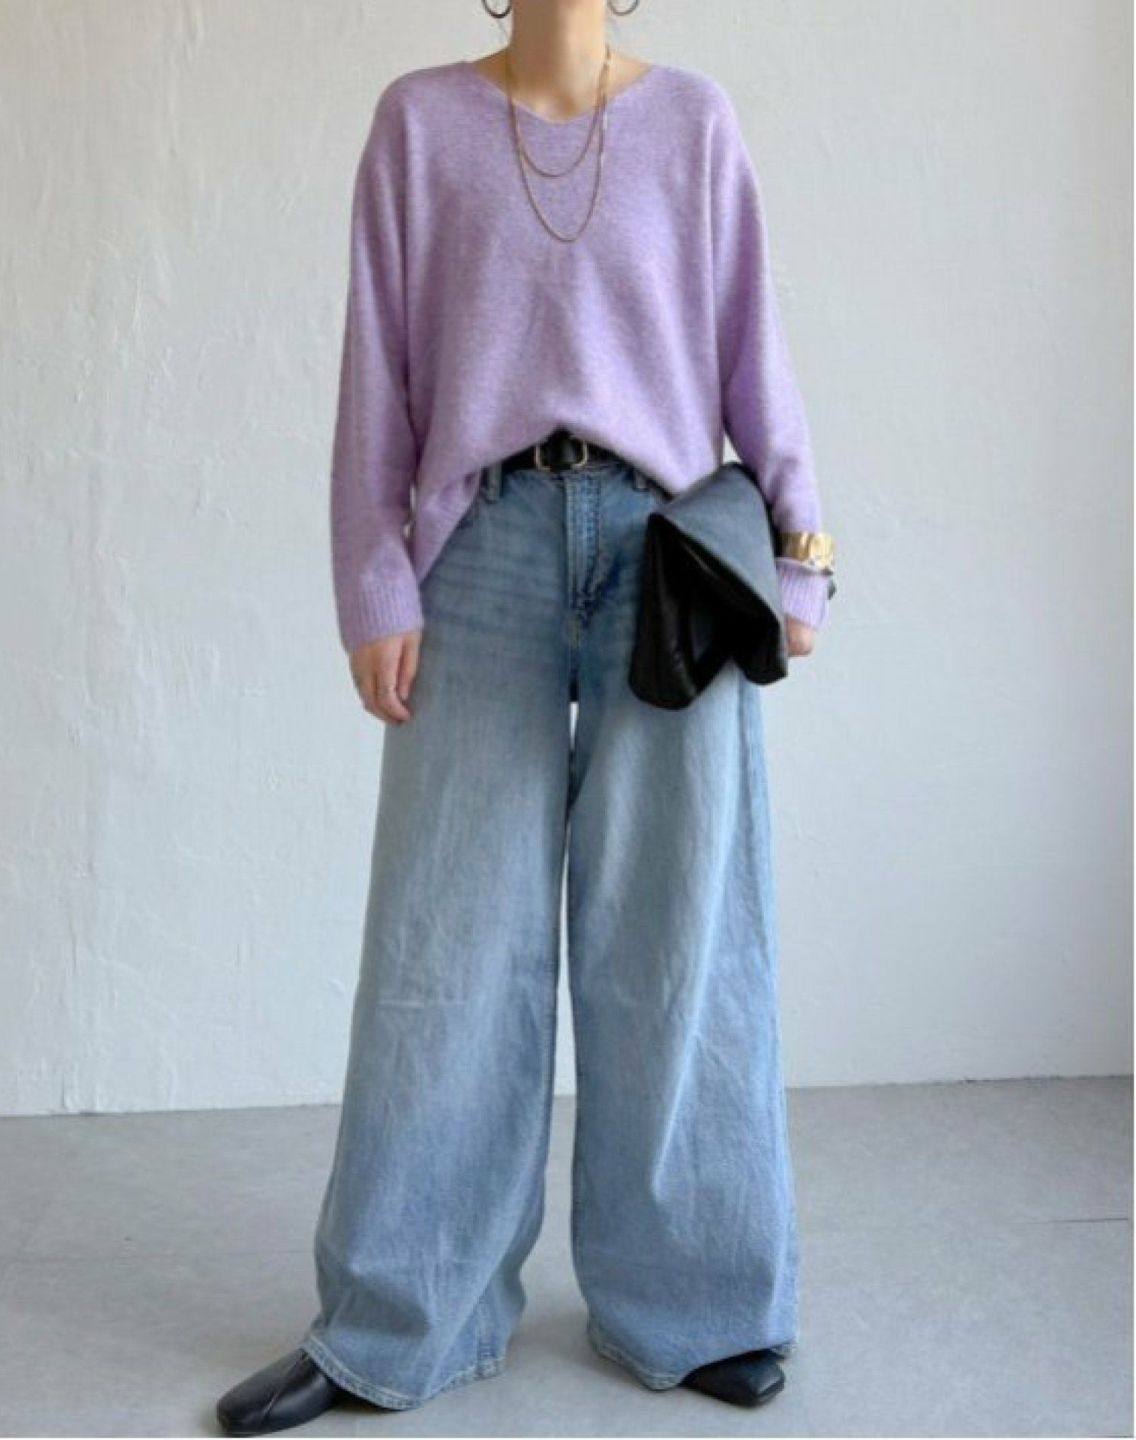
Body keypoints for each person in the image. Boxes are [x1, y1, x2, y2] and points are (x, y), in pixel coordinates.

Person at [217, 1, 836, 1432]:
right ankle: (399, 1315)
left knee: (680, 932)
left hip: (670, 556)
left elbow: (755, 350)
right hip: (479, 551)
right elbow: (379, 371)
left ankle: (700, 1302)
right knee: (446, 938)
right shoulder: (419, 124)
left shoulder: (694, 124)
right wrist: (375, 579)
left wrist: (802, 555)